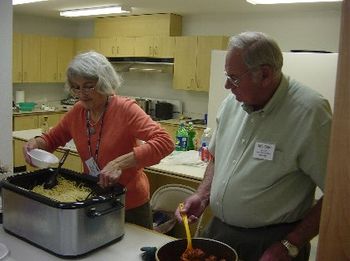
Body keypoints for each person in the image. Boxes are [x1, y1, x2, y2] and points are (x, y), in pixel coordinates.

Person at [175, 32, 332, 261]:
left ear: (265, 74)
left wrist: (291, 244)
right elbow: (218, 157)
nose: (227, 85)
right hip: (219, 230)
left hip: (272, 244)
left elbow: (339, 194)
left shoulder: (311, 113)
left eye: (234, 78)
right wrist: (203, 194)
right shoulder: (232, 103)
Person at [23, 51, 174, 229]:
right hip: (93, 196)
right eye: (76, 87)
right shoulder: (78, 111)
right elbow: (53, 138)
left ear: (104, 83)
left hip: (129, 202)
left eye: (88, 86)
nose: (81, 94)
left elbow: (165, 141)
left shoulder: (125, 109)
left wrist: (118, 164)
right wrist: (36, 143)